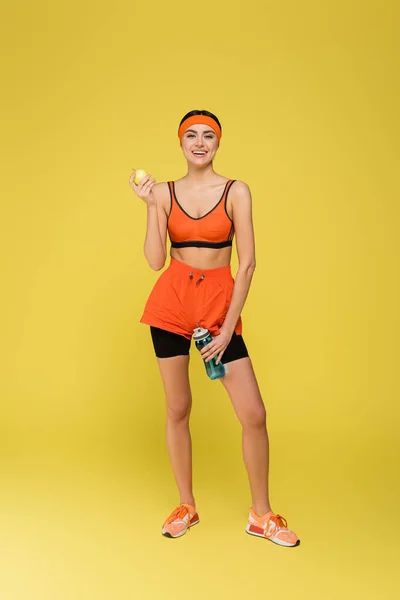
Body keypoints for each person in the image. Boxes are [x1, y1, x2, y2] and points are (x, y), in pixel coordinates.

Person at [129, 110, 300, 547]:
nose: (200, 142)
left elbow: (248, 264)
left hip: (217, 310)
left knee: (253, 414)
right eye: (191, 135)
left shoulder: (235, 191)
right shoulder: (164, 192)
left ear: (218, 143)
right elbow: (154, 260)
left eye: (208, 135)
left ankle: (260, 514)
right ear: (180, 143)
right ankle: (186, 504)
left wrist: (226, 329)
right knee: (178, 408)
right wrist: (151, 208)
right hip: (170, 307)